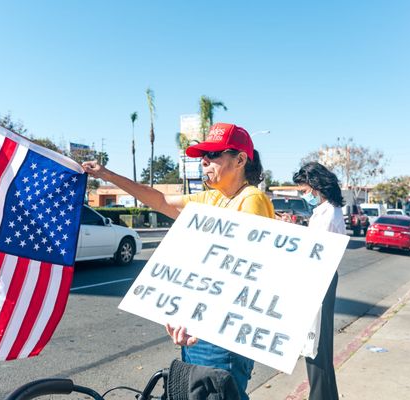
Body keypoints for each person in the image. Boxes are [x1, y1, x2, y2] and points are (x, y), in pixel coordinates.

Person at [82, 122, 274, 400]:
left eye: (215, 154)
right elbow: (160, 200)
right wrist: (107, 175)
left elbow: (245, 275)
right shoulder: (213, 198)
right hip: (199, 331)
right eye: (203, 156)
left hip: (223, 337)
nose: (205, 161)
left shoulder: (251, 199)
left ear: (241, 159)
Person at [287, 161, 345, 400]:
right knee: (320, 344)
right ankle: (326, 395)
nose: (304, 195)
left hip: (319, 280)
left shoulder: (327, 212)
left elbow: (316, 249)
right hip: (324, 278)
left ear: (315, 185)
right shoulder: (327, 210)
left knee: (315, 345)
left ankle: (320, 396)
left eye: (304, 190)